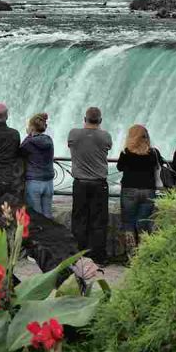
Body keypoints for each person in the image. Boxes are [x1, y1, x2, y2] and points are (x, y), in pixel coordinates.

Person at [67, 106, 113, 264]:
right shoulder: (105, 136)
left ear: (84, 119)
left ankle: (78, 256)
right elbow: (107, 146)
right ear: (100, 121)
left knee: (79, 219)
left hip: (80, 183)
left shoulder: (73, 134)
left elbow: (72, 145)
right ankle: (98, 257)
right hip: (99, 184)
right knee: (99, 221)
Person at [116, 124, 159, 249]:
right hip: (148, 191)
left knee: (128, 223)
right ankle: (143, 255)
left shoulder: (126, 152)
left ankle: (131, 255)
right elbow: (159, 166)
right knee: (143, 223)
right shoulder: (153, 152)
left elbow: (119, 167)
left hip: (129, 190)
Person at [20, 113, 54, 218]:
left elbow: (20, 151)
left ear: (31, 127)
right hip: (48, 183)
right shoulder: (49, 140)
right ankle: (50, 234)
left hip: (34, 182)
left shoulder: (29, 142)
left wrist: (29, 135)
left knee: (36, 218)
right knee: (48, 216)